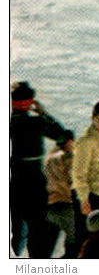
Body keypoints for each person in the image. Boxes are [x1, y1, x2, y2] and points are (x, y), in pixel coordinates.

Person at [10, 81, 70, 257]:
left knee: (18, 226)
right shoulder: (37, 123)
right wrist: (44, 113)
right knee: (41, 225)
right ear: (30, 102)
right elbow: (62, 137)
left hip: (14, 180)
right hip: (35, 181)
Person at [72, 101, 99, 249]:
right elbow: (78, 174)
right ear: (93, 118)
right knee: (86, 242)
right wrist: (84, 199)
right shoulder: (86, 142)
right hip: (91, 198)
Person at [43, 131, 79, 258]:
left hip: (50, 205)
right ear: (70, 142)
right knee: (73, 246)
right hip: (66, 205)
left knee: (46, 246)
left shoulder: (50, 157)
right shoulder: (69, 157)